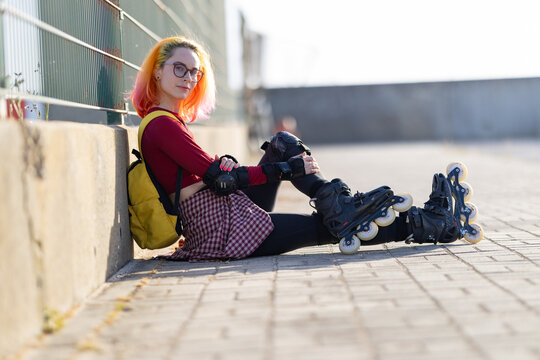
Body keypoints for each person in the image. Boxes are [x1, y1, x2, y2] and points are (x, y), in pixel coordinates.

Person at [130, 36, 480, 262]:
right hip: (219, 228)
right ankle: (432, 224)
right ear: (157, 73)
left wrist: (269, 164)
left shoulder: (168, 121)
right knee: (329, 228)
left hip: (227, 212)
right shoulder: (161, 124)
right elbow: (221, 181)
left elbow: (211, 174)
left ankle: (339, 203)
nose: (188, 78)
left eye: (195, 72)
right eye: (179, 68)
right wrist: (285, 171)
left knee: (282, 143)